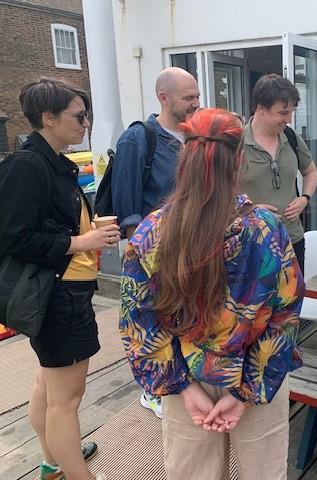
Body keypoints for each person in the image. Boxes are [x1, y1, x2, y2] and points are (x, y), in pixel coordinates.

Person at [120, 108, 304, 479]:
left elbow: (137, 323)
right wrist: (244, 393)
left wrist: (183, 388)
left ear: (184, 156)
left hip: (183, 374)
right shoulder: (266, 230)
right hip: (258, 374)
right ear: (238, 160)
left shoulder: (151, 233)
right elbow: (285, 315)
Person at [0, 78, 119, 480]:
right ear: (48, 118)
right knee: (65, 400)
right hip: (58, 294)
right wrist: (84, 240)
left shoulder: (49, 161)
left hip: (63, 291)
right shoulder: (29, 165)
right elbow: (16, 237)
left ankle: (53, 461)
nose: (86, 123)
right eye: (79, 115)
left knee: (48, 387)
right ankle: (73, 473)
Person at [112, 66, 200, 418]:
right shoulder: (137, 140)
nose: (196, 103)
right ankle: (153, 391)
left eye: (197, 96)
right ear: (164, 98)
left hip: (192, 256)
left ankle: (180, 384)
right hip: (157, 260)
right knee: (156, 326)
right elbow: (128, 214)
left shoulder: (194, 137)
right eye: (188, 98)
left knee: (183, 327)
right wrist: (150, 267)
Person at [239, 73, 317, 274]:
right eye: (283, 113)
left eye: (291, 112)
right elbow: (217, 192)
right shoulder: (234, 143)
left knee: (292, 303)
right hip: (251, 244)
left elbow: (310, 172)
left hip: (292, 239)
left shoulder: (291, 138)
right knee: (255, 306)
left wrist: (305, 199)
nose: (289, 119)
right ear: (260, 108)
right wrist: (247, 209)